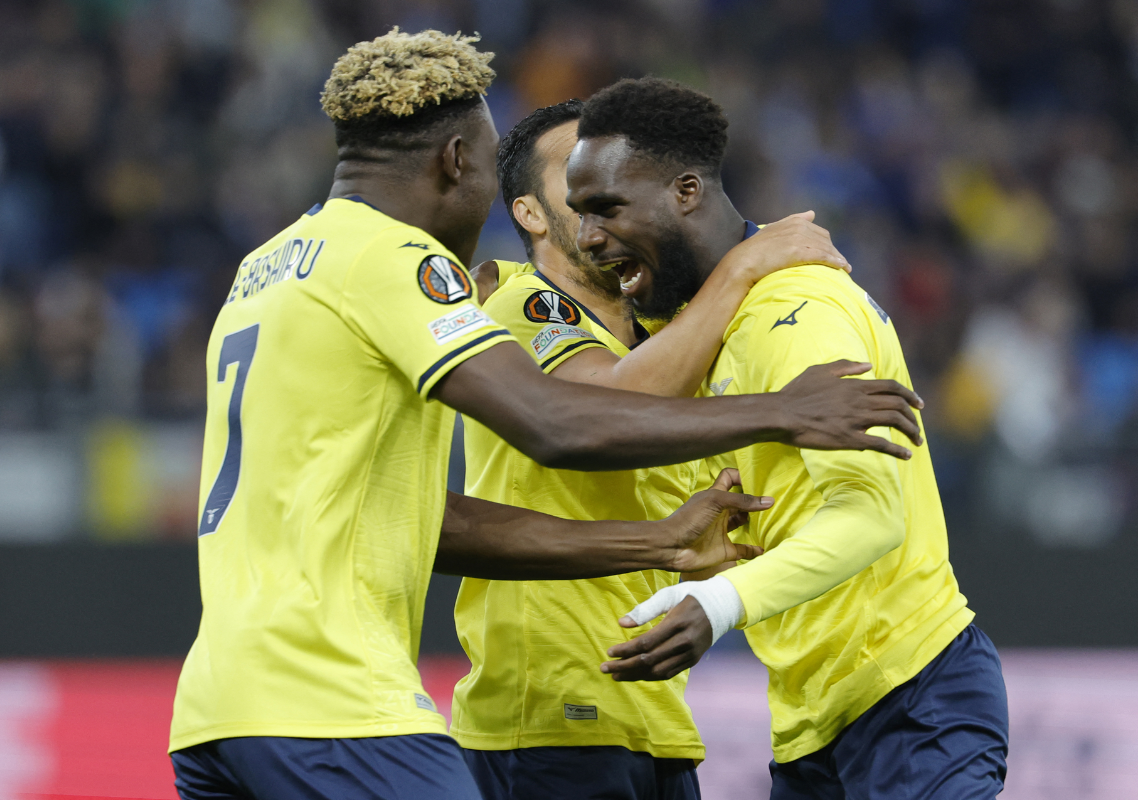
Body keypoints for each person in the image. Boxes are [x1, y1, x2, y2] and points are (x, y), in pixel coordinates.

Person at [169, 31, 927, 800]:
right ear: (458, 161)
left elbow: (432, 522)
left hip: (217, 709)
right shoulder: (398, 260)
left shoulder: (263, 269)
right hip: (332, 701)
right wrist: (781, 411)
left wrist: (655, 542)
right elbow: (557, 422)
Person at [563, 77, 1009, 799]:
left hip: (911, 694)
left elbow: (871, 515)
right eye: (579, 214)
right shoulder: (700, 328)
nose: (587, 237)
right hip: (812, 720)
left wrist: (720, 605)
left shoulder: (796, 311)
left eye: (606, 207)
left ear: (684, 191)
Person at [453, 99, 854, 800]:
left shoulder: (667, 333)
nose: (599, 196)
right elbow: (608, 405)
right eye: (576, 184)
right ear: (532, 215)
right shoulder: (518, 305)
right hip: (548, 714)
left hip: (655, 714)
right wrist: (742, 265)